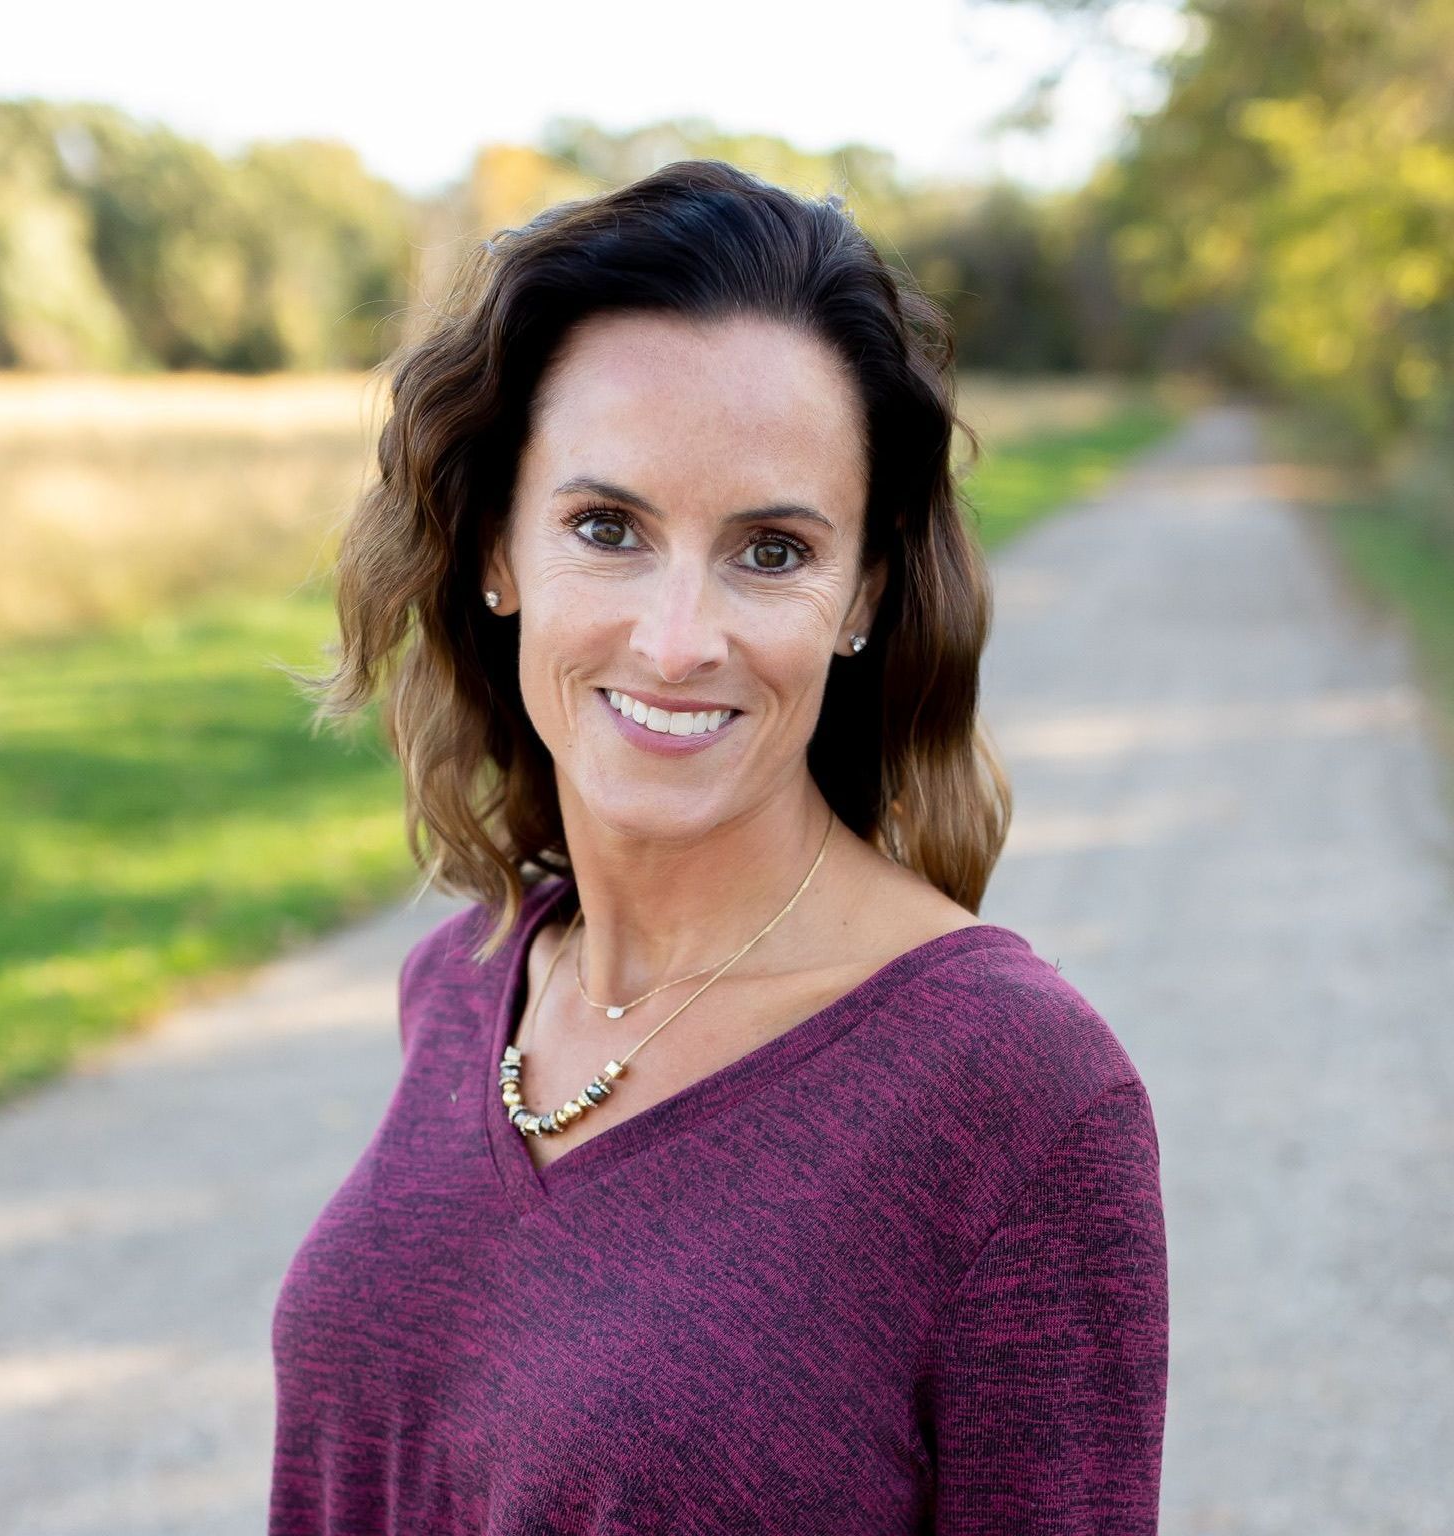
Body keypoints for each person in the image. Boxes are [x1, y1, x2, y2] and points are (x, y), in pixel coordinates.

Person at [268, 158, 1168, 1534]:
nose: (679, 639)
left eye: (770, 551)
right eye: (606, 527)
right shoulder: (470, 981)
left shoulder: (1014, 1094)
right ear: (497, 550)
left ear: (862, 593)